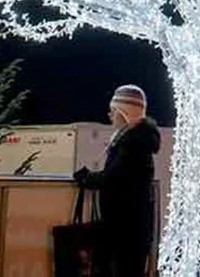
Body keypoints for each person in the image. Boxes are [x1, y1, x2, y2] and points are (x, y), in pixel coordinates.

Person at [74, 84, 161, 277]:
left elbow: (114, 177)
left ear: (124, 113)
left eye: (113, 111)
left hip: (126, 229)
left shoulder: (133, 143)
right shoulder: (136, 140)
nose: (110, 115)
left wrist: (86, 178)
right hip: (132, 228)